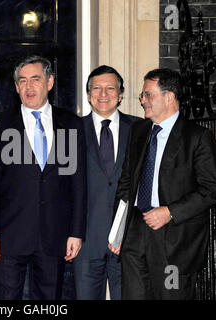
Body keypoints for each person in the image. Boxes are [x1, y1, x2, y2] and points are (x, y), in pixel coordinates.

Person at [0, 55, 87, 300]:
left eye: (35, 79)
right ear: (16, 87)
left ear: (49, 82)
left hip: (55, 234)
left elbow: (78, 183)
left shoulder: (71, 124)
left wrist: (76, 231)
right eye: (22, 81)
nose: (29, 86)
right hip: (9, 236)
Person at [109, 68, 216, 299]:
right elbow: (127, 183)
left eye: (148, 95)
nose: (142, 100)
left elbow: (211, 190)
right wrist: (119, 232)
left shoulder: (198, 137)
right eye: (143, 95)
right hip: (135, 234)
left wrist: (170, 212)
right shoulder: (138, 131)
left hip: (174, 241)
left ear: (169, 97)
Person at [74, 66, 141, 300]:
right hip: (84, 242)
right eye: (97, 88)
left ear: (121, 95)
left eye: (110, 88)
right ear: (89, 94)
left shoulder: (140, 129)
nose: (103, 94)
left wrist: (132, 231)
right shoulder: (71, 130)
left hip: (129, 242)